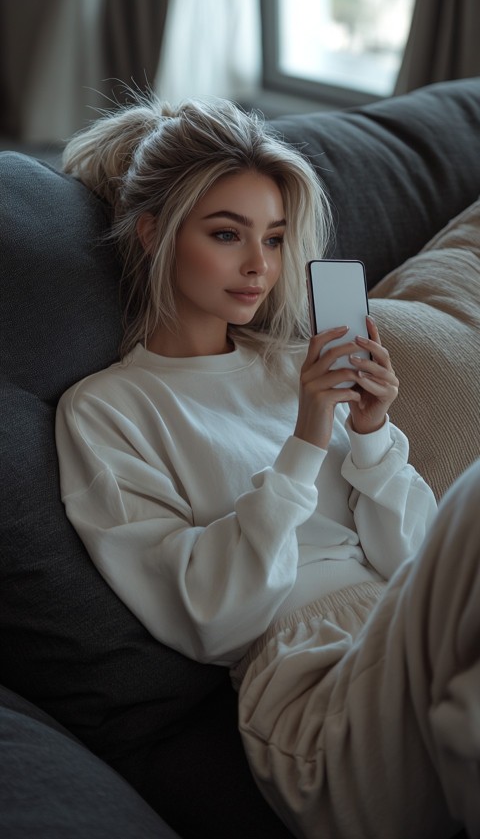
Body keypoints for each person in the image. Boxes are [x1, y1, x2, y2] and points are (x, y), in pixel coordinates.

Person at [55, 94, 479, 839]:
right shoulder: (106, 411)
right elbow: (216, 619)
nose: (260, 267)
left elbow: (410, 555)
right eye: (228, 235)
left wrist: (374, 433)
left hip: (403, 623)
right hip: (316, 696)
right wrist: (309, 438)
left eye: (277, 239)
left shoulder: (290, 363)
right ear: (153, 234)